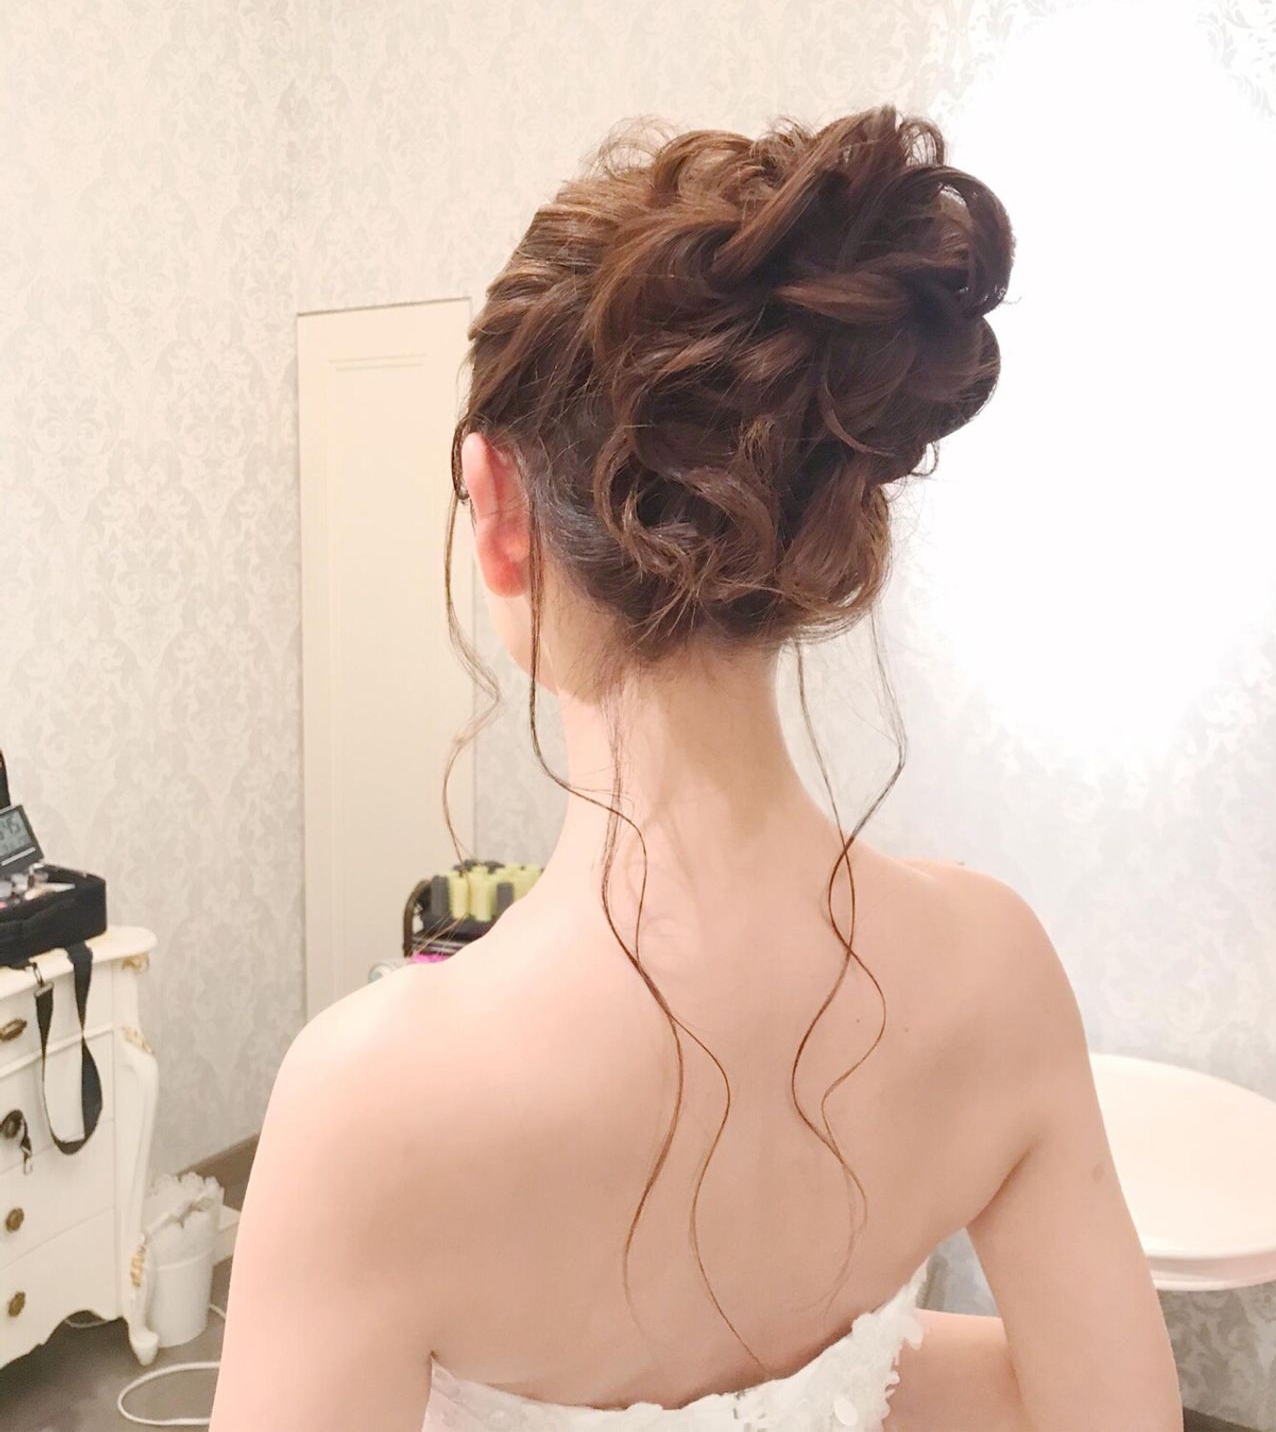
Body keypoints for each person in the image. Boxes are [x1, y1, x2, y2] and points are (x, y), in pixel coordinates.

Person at [211, 108, 1183, 1431]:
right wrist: (841, 1375)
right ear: (828, 523)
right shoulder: (995, 971)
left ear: (496, 512)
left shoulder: (367, 1110)